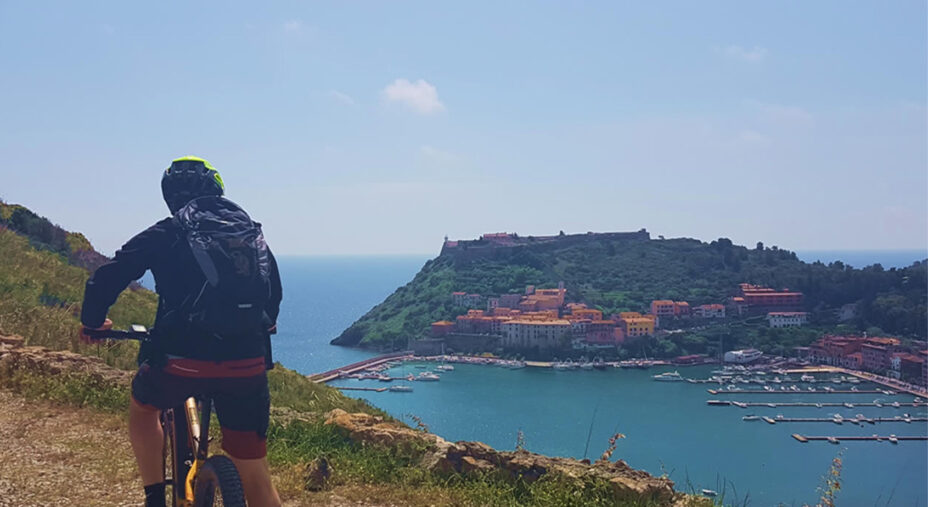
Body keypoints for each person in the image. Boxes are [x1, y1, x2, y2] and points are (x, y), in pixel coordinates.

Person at [79, 156, 283, 507]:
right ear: (217, 191)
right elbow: (272, 292)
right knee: (254, 472)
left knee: (143, 409)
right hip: (246, 363)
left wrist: (93, 321)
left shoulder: (167, 232)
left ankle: (154, 497)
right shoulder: (247, 234)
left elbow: (109, 275)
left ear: (170, 198)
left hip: (180, 362)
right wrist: (265, 322)